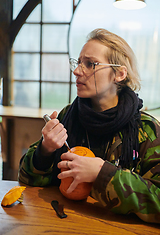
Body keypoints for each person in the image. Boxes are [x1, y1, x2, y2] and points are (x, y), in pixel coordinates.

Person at [18, 28, 160, 223]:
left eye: (90, 64)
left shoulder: (146, 130)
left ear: (119, 74)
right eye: (78, 63)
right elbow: (27, 180)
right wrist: (45, 150)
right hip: (64, 222)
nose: (77, 71)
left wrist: (102, 173)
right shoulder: (69, 115)